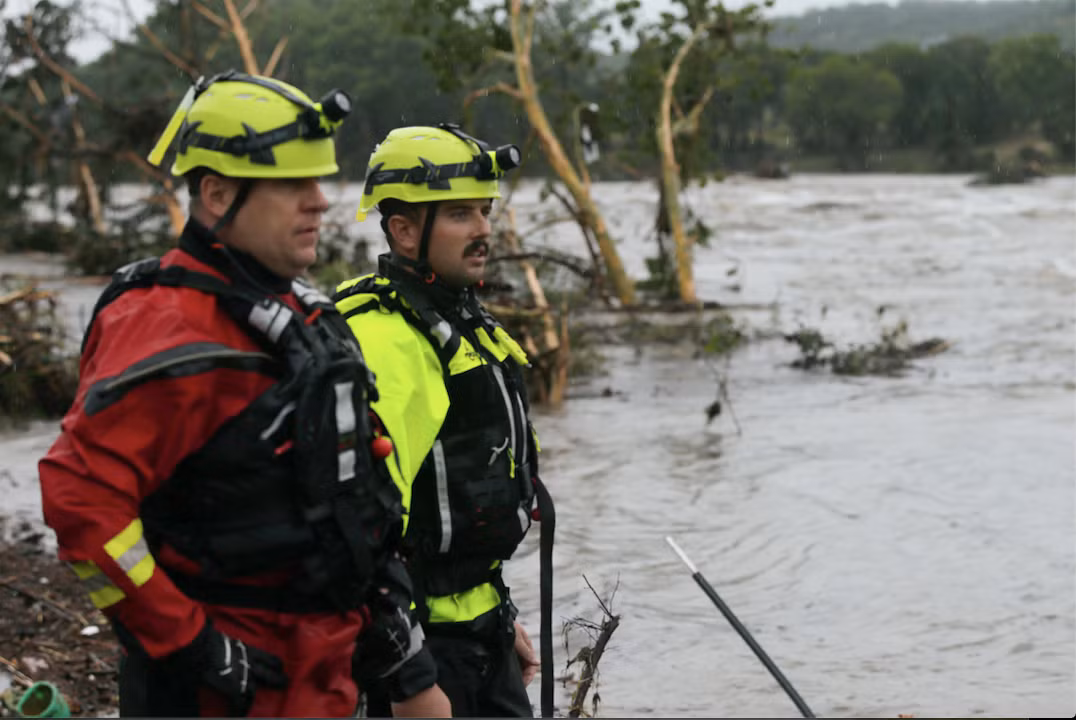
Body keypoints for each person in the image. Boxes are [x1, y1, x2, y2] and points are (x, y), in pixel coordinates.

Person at [38, 71, 451, 718]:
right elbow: (81, 506)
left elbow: (359, 495)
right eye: (293, 184)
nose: (319, 202)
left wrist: (403, 649)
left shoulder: (311, 319)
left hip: (328, 675)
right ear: (217, 193)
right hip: (224, 689)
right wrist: (187, 640)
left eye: (319, 181)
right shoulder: (164, 333)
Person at [334, 123, 555, 718]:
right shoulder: (385, 340)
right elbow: (362, 535)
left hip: (480, 631)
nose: (484, 229)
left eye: (484, 211)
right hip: (422, 653)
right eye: (459, 214)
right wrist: (410, 679)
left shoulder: (456, 319)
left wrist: (499, 617)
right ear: (404, 230)